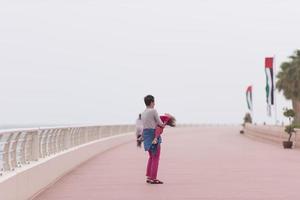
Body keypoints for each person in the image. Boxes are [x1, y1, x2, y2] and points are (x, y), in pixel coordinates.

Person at [141, 95, 164, 184]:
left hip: (146, 135)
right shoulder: (153, 111)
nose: (154, 103)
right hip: (153, 135)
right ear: (151, 102)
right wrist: (165, 122)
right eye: (154, 102)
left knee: (151, 156)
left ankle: (149, 176)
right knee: (156, 157)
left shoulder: (143, 113)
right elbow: (160, 123)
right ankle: (153, 178)